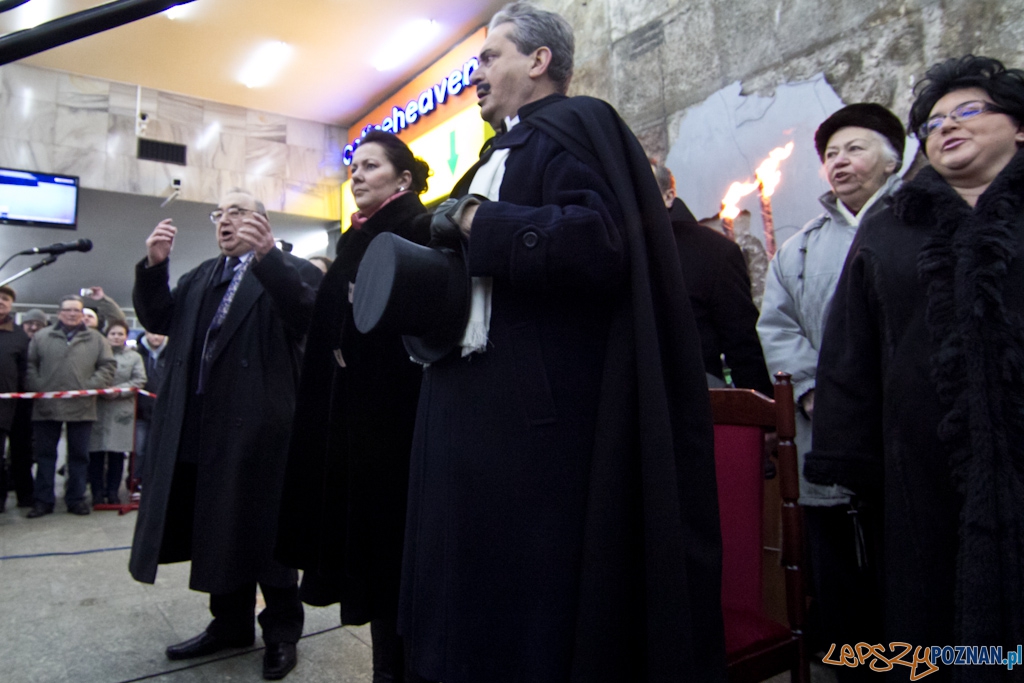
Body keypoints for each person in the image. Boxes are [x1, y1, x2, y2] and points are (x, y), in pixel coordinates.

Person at [396, 4, 724, 681]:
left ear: (539, 62)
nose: (475, 76)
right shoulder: (503, 148)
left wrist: (477, 219)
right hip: (475, 410)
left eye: (490, 58)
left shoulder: (575, 125)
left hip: (533, 424)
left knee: (529, 613)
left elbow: (600, 242)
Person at [806, 55, 1024, 674]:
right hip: (925, 473)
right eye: (933, 122)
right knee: (938, 623)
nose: (947, 126)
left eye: (969, 111)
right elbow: (850, 349)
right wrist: (848, 457)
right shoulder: (891, 231)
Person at [129, 188, 322, 681]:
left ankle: (281, 631)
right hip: (205, 426)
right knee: (217, 526)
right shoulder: (201, 276)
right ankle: (230, 624)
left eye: (238, 212)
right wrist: (154, 268)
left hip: (261, 426)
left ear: (262, 222)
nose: (225, 221)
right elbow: (160, 320)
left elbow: (306, 318)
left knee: (266, 533)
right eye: (220, 213)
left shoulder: (293, 270)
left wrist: (268, 259)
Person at [276, 131, 432, 683]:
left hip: (394, 424)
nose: (357, 175)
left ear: (404, 178)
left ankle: (400, 670)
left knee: (392, 555)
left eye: (371, 166)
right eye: (354, 167)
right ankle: (387, 668)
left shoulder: (419, 230)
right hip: (352, 423)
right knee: (369, 557)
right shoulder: (356, 238)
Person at [757, 102, 904, 656]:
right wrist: (817, 391)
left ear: (893, 160)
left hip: (908, 425)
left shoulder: (920, 227)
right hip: (830, 427)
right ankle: (855, 663)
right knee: (839, 563)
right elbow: (777, 326)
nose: (840, 162)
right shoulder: (799, 249)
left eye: (855, 148)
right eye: (831, 154)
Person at [653, 162, 772, 393]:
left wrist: (761, 412)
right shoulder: (609, 248)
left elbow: (742, 342)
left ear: (669, 197)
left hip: (695, 398)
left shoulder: (712, 252)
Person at [25, 295, 116, 518]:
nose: (73, 314)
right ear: (59, 313)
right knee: (45, 456)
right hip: (46, 406)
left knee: (78, 456)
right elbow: (30, 365)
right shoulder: (42, 336)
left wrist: (89, 387)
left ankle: (76, 499)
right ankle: (43, 501)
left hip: (82, 405)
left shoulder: (96, 339)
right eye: (68, 310)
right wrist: (40, 388)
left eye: (77, 310)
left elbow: (107, 366)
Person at [88, 320, 146, 506]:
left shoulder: (134, 357)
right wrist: (101, 389)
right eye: (113, 333)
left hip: (122, 410)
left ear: (126, 336)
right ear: (107, 336)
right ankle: (96, 492)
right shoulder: (95, 355)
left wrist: (118, 390)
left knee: (116, 455)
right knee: (95, 454)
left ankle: (113, 492)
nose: (116, 337)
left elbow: (139, 379)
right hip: (97, 408)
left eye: (120, 334)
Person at [6, 308, 47, 509]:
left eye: (38, 324)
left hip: (28, 404)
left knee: (23, 452)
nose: (33, 327)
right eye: (30, 323)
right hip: (6, 401)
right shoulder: (16, 338)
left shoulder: (42, 344)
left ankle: (26, 494)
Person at [0, 286, 29, 513]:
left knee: (20, 453)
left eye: (5, 299)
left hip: (15, 405)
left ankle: (25, 497)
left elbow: (25, 370)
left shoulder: (19, 335)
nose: (1, 302)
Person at [133, 329, 168, 489]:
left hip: (162, 412)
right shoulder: (137, 353)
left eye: (159, 333)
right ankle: (135, 480)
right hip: (140, 411)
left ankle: (153, 481)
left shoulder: (171, 353)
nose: (156, 336)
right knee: (139, 449)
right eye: (152, 333)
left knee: (158, 449)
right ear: (145, 334)